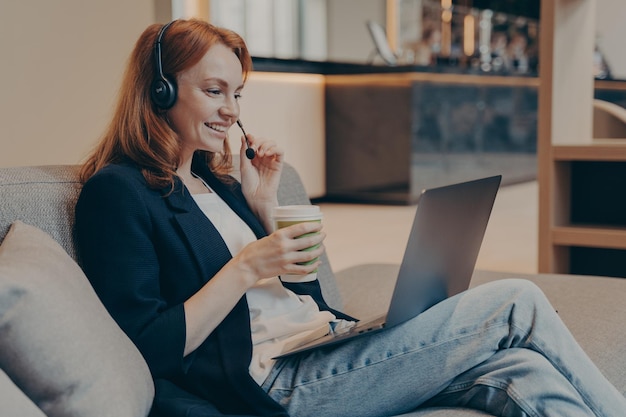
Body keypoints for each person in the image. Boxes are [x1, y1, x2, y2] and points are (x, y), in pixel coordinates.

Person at [74, 19, 626, 417]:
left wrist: (264, 205)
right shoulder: (118, 192)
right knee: (516, 301)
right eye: (214, 91)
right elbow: (144, 345)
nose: (233, 111)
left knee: (524, 373)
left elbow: (303, 296)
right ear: (161, 90)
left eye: (237, 93)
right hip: (280, 383)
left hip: (325, 342)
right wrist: (243, 268)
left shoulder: (217, 180)